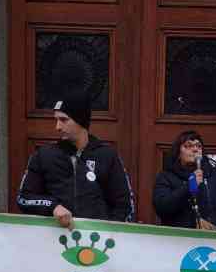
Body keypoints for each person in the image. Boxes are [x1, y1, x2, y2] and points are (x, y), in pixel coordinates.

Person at [16, 90, 135, 229]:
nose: (58, 127)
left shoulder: (108, 156)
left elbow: (125, 206)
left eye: (64, 120)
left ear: (81, 120)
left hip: (97, 243)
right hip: (53, 241)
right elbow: (23, 198)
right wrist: (53, 207)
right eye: (56, 120)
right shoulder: (43, 155)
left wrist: (110, 233)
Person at [153, 130, 216, 231]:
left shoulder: (215, 175)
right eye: (188, 146)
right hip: (178, 238)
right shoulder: (166, 177)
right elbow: (162, 207)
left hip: (211, 239)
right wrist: (189, 186)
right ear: (178, 153)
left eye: (198, 146)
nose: (195, 149)